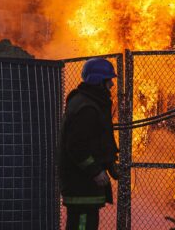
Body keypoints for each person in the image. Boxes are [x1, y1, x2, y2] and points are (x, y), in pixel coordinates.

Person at [60, 58, 119, 230]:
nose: (112, 85)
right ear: (99, 81)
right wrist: (95, 171)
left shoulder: (89, 103)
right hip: (81, 184)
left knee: (85, 223)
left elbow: (98, 141)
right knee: (82, 225)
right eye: (109, 80)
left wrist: (109, 165)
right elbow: (76, 146)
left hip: (83, 184)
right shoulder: (87, 108)